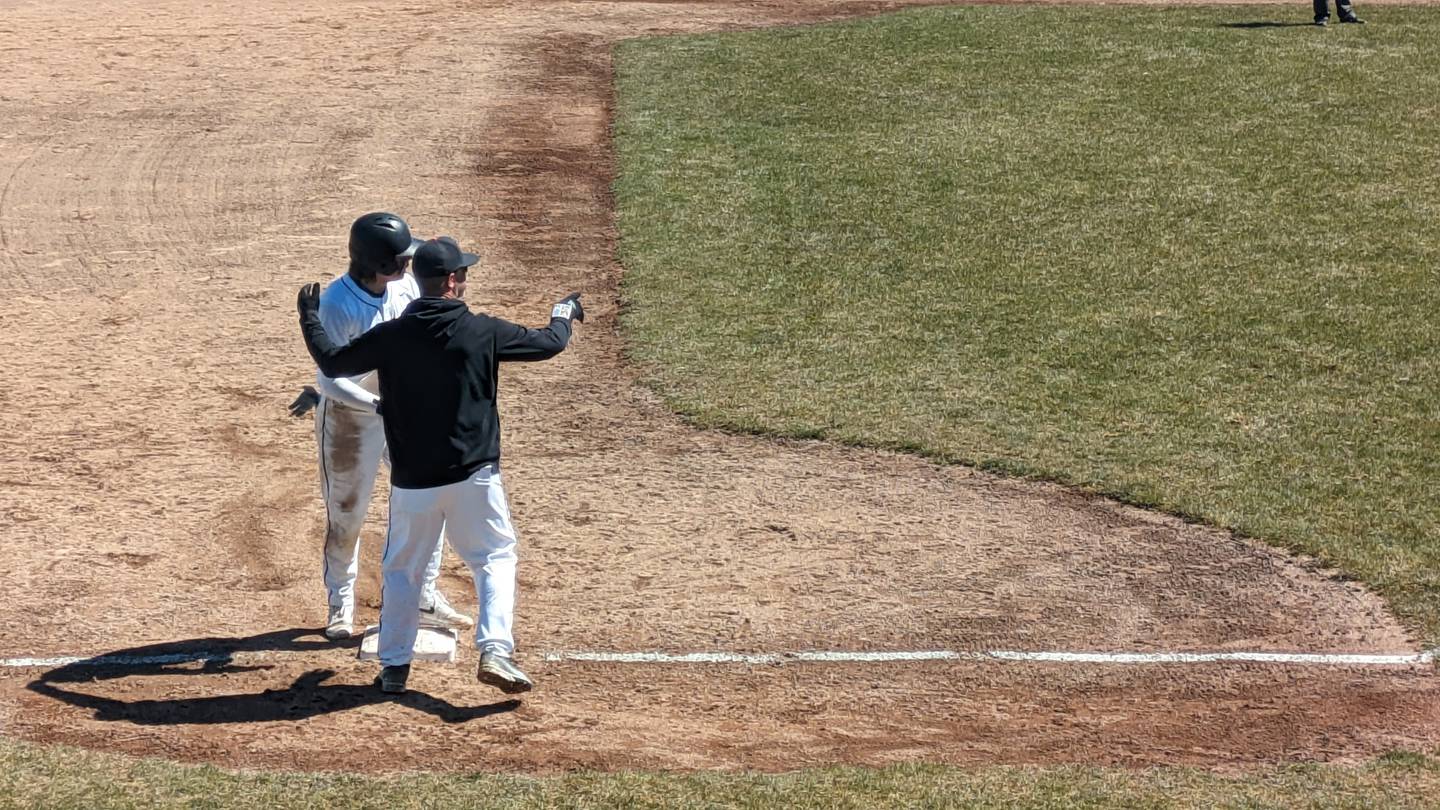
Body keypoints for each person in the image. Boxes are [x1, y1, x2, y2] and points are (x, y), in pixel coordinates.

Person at [296, 235, 583, 695]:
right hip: (474, 476)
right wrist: (562, 314)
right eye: (464, 274)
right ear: (452, 282)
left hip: (413, 481)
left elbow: (331, 361)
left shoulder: (391, 337)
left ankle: (394, 666)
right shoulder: (484, 330)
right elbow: (549, 344)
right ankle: (495, 649)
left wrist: (309, 317)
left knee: (402, 569)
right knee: (494, 557)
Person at [304, 212, 473, 641]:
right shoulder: (336, 304)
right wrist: (381, 405)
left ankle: (426, 596)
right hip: (350, 417)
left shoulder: (404, 286)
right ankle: (340, 602)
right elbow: (329, 379)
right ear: (379, 263)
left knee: (426, 501)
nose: (408, 264)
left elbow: (442, 276)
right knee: (347, 513)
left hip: (400, 413)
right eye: (401, 258)